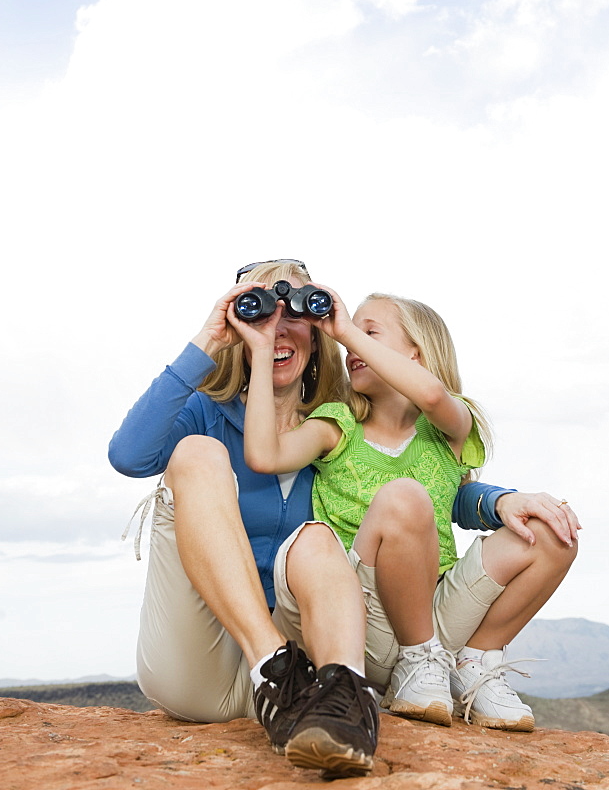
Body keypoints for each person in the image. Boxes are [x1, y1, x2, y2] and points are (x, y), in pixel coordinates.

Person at [109, 259, 518, 775]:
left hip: (307, 673)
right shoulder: (205, 411)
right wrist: (208, 339)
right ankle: (271, 667)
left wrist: (495, 500)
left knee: (317, 539)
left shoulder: (338, 424)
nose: (276, 330)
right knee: (195, 454)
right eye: (259, 315)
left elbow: (423, 487)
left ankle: (347, 703)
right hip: (205, 659)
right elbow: (129, 456)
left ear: (318, 329)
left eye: (294, 314)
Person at [241, 287, 581, 732]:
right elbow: (264, 456)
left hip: (438, 612)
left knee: (552, 528)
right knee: (405, 497)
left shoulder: (451, 427)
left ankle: (473, 661)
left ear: (415, 354)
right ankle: (415, 660)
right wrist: (262, 351)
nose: (349, 346)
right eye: (348, 338)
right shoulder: (337, 424)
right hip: (365, 616)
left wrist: (343, 328)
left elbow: (436, 399)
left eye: (369, 333)